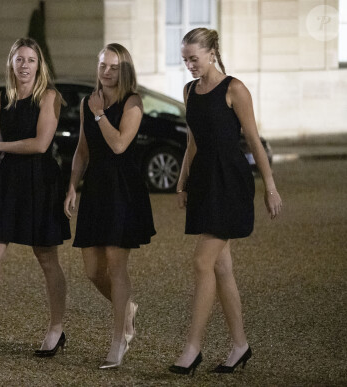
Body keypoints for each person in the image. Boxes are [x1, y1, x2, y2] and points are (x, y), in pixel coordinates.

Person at [169, 28, 282, 375]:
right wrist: (182, 182)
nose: (188, 65)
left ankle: (193, 348)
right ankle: (240, 346)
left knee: (203, 262)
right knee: (221, 267)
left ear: (212, 53)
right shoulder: (189, 91)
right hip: (203, 180)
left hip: (230, 182)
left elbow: (254, 142)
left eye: (194, 58)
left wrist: (270, 187)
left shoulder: (235, 89)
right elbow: (192, 142)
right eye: (185, 59)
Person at [0, 38, 70, 359]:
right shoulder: (0, 99)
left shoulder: (49, 97)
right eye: (19, 60)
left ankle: (56, 328)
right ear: (11, 63)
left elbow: (40, 144)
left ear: (39, 64)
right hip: (7, 181)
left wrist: (0, 149)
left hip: (40, 181)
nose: (24, 66)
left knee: (46, 257)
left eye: (30, 60)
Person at [64, 43, 156, 369]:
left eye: (114, 66)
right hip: (95, 191)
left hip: (122, 189)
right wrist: (72, 187)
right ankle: (127, 309)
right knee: (92, 270)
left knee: (117, 266)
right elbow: (82, 151)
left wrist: (100, 113)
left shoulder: (133, 102)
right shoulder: (87, 102)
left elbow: (118, 144)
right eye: (103, 64)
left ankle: (118, 341)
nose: (106, 71)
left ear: (124, 70)